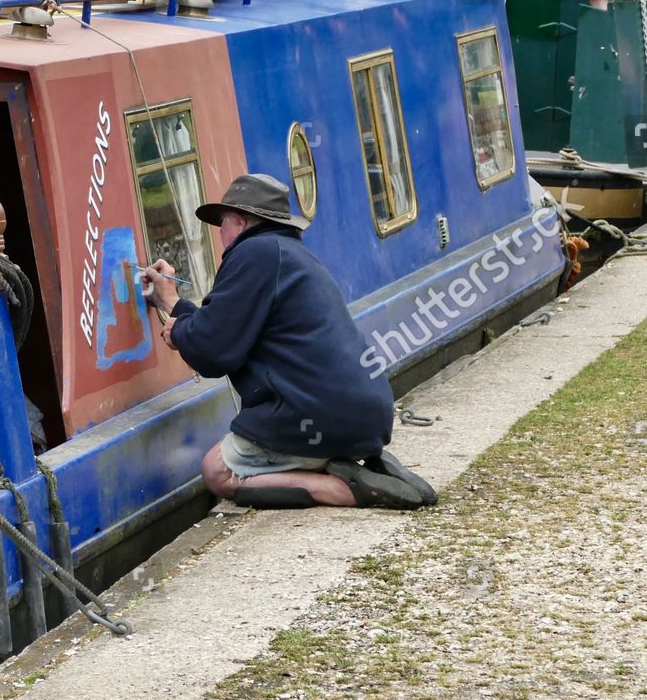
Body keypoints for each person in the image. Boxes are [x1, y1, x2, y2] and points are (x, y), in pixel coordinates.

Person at [142, 174, 437, 510]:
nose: (220, 233)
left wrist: (179, 331)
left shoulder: (252, 253)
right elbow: (225, 327)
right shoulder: (289, 254)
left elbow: (214, 352)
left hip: (316, 418)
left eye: (222, 223)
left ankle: (346, 489)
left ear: (239, 221)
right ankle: (352, 467)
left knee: (217, 471)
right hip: (361, 416)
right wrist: (175, 305)